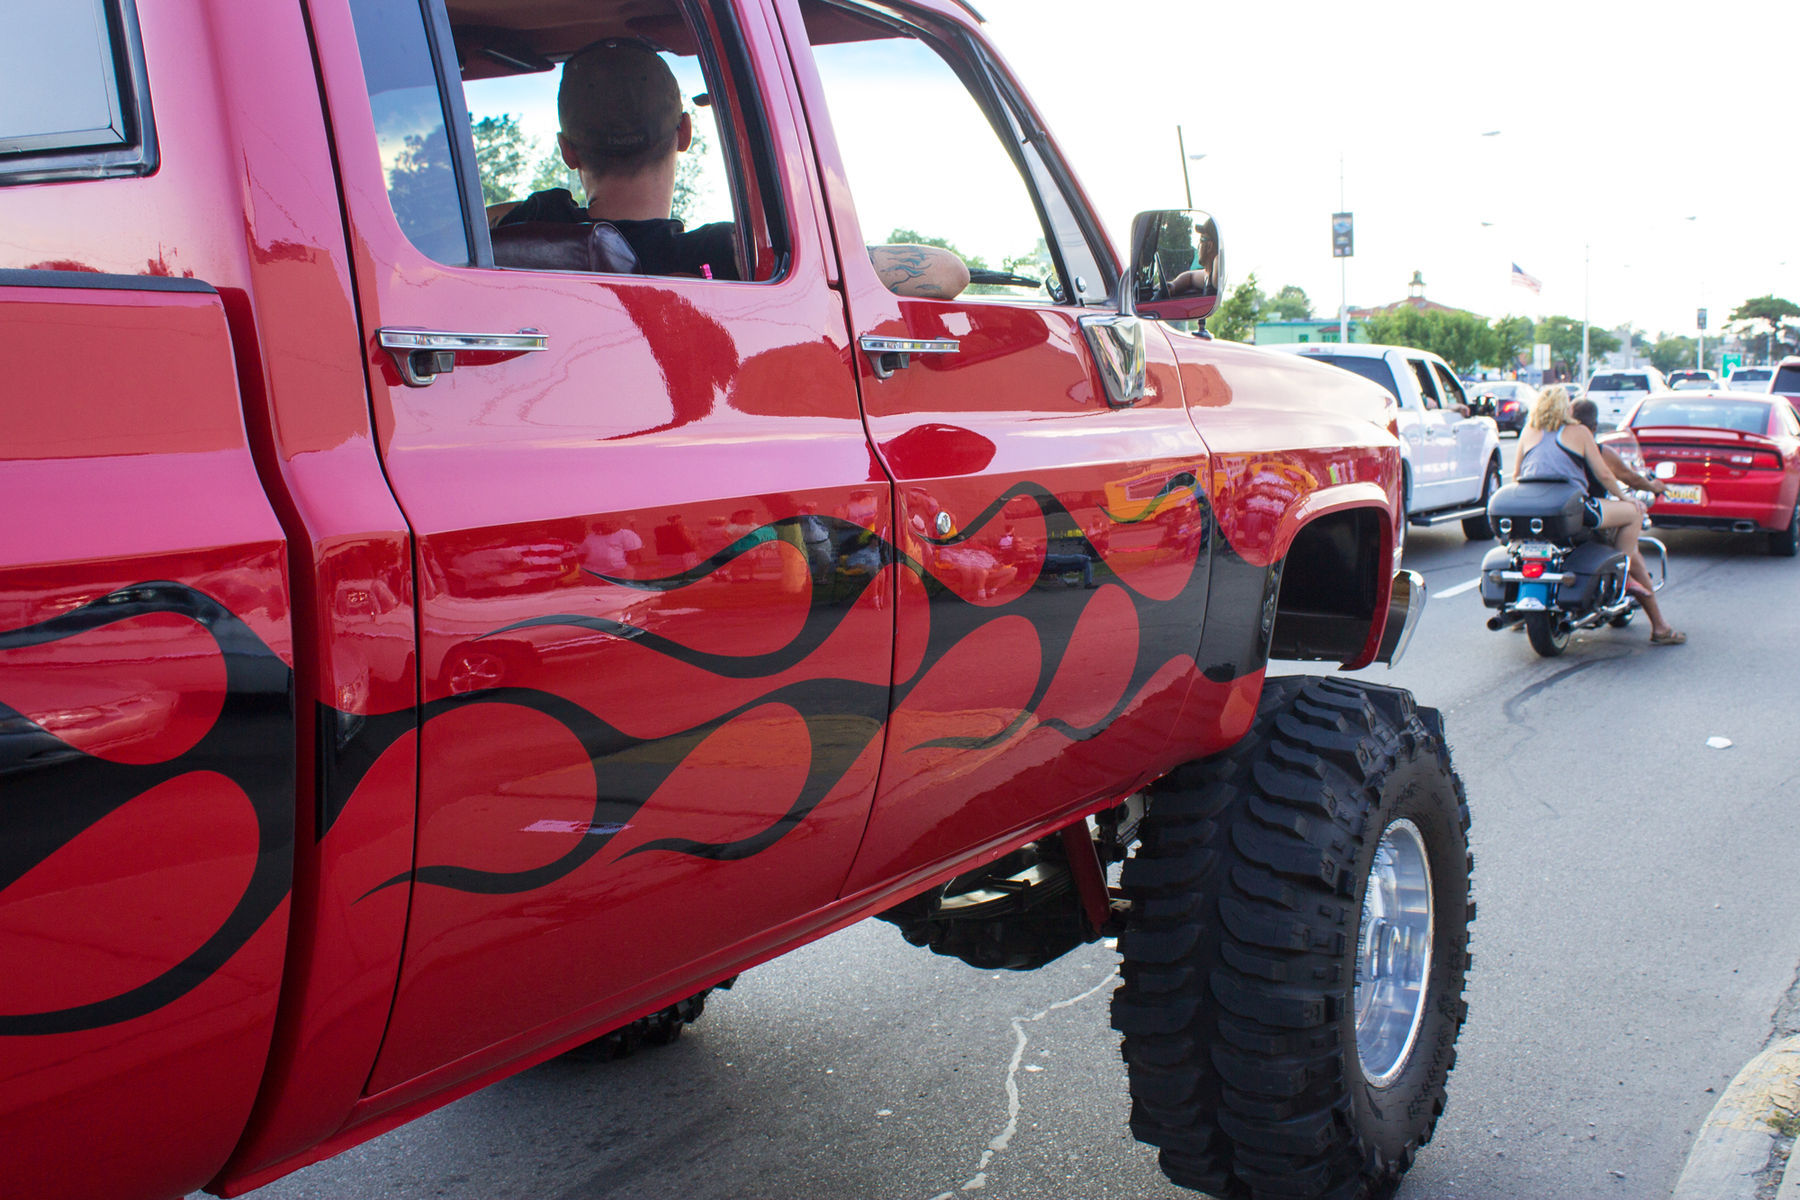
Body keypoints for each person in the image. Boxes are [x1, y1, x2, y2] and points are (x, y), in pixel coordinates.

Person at [491, 39, 967, 297]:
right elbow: (949, 272)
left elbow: (441, 227)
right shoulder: (729, 256)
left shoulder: (520, 229)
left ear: (567, 151)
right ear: (684, 133)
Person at [1515, 386, 1685, 645]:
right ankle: (1625, 573)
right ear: (1565, 408)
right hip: (1572, 509)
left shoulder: (1528, 432)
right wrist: (1628, 498)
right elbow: (1606, 475)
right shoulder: (1580, 433)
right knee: (1633, 513)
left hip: (1533, 510)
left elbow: (1517, 474)